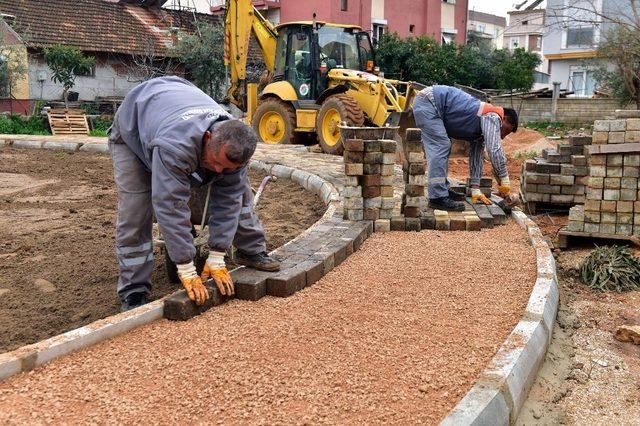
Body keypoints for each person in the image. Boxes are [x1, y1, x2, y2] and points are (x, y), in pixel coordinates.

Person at [109, 76, 279, 311]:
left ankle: (251, 251)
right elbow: (171, 205)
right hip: (133, 129)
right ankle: (134, 290)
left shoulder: (235, 144)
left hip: (175, 103)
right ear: (209, 139)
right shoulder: (175, 146)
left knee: (240, 195)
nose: (219, 172)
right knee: (136, 211)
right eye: (217, 162)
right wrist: (186, 268)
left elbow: (228, 200)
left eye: (227, 168)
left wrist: (218, 254)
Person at [412, 85, 518, 211]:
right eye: (505, 131)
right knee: (441, 145)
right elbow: (494, 149)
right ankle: (437, 198)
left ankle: (442, 190)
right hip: (429, 102)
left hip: (433, 105)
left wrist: (475, 188)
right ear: (504, 118)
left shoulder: (481, 130)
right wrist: (504, 178)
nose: (502, 136)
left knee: (444, 145)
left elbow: (477, 157)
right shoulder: (492, 116)